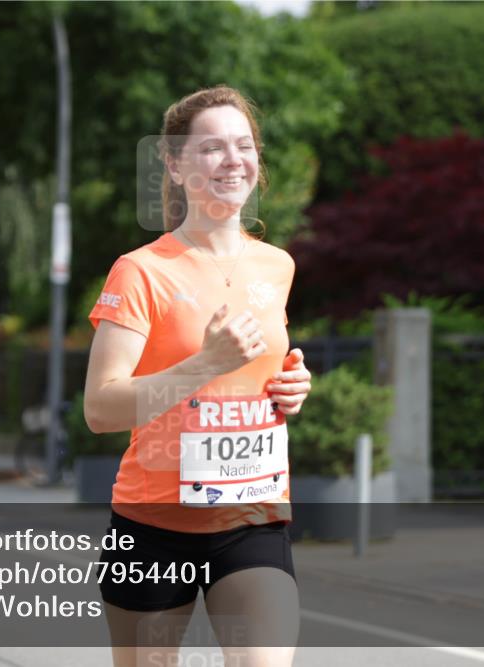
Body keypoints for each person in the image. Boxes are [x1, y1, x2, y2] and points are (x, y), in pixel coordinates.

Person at [84, 85, 312, 667]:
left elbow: (253, 373)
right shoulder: (140, 272)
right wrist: (205, 363)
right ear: (175, 163)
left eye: (243, 146)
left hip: (253, 516)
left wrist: (289, 388)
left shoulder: (276, 265)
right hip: (153, 523)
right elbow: (101, 410)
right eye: (211, 148)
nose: (232, 160)